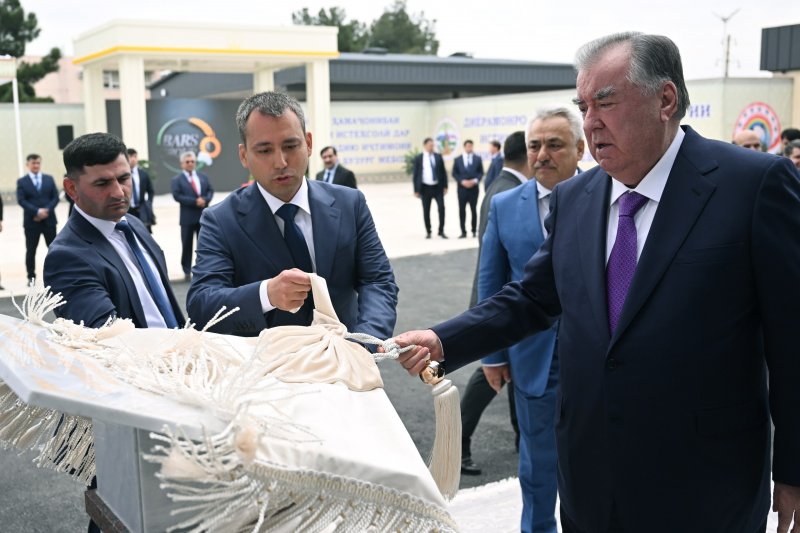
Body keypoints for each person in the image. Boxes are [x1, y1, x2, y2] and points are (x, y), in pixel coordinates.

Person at [395, 32, 800, 532]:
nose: (590, 123)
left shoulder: (752, 185)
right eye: (583, 107)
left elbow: (792, 338)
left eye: (605, 103)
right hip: (591, 478)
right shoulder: (575, 198)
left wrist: (794, 469)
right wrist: (443, 340)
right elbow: (532, 298)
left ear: (665, 100)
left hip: (705, 483)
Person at [186, 91, 397, 339]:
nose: (280, 162)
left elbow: (378, 281)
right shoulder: (221, 221)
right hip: (266, 361)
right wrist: (266, 294)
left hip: (347, 354)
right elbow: (202, 304)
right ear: (244, 155)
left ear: (308, 143)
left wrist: (365, 342)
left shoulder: (350, 204)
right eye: (264, 150)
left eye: (290, 146)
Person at [478, 105, 583, 533]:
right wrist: (492, 354)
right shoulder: (505, 206)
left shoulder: (607, 196)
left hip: (598, 355)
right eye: (535, 145)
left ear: (580, 149)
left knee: (596, 460)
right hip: (533, 357)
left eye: (554, 145)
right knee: (537, 465)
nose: (541, 155)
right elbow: (492, 283)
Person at [43, 132, 185, 329]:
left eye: (124, 178)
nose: (119, 192)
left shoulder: (133, 225)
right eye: (102, 183)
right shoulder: (66, 258)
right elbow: (107, 337)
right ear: (71, 188)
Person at [460, 130, 530, 476]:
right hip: (502, 302)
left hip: (505, 302)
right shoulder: (507, 192)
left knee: (515, 371)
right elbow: (498, 259)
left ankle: (523, 438)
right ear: (528, 155)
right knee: (490, 372)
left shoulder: (500, 185)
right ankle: (456, 441)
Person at [16, 154, 59, 285]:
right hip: (32, 221)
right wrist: (36, 211)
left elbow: (55, 197)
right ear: (27, 165)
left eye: (38, 163)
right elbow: (21, 200)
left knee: (54, 249)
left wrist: (46, 210)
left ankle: (56, 274)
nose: (36, 165)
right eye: (33, 163)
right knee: (31, 250)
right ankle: (31, 277)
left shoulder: (49, 179)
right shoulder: (22, 182)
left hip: (49, 220)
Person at [171, 151, 214, 280]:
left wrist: (205, 200)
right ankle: (186, 271)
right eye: (187, 162)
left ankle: (204, 269)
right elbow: (177, 196)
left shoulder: (203, 176)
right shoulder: (177, 180)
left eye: (192, 161)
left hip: (203, 217)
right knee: (187, 245)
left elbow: (210, 190)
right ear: (182, 164)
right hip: (187, 218)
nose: (190, 164)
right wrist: (195, 201)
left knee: (204, 245)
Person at [412, 137, 448, 239]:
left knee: (441, 208)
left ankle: (441, 231)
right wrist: (416, 190)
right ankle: (428, 231)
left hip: (438, 187)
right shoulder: (419, 158)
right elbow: (416, 174)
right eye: (429, 145)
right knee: (426, 210)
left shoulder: (438, 156)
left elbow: (443, 172)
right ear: (425, 146)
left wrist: (445, 186)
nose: (431, 147)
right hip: (425, 188)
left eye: (432, 145)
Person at [452, 139, 484, 238]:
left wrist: (475, 181)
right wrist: (462, 181)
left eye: (471, 146)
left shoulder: (477, 159)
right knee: (462, 210)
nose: (469, 148)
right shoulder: (458, 159)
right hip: (462, 189)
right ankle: (463, 231)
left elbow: (481, 172)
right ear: (464, 147)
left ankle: (474, 230)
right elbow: (454, 173)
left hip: (474, 189)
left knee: (473, 209)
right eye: (468, 146)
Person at [126, 148, 156, 233]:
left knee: (144, 232)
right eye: (130, 156)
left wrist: (149, 203)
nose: (133, 159)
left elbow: (151, 191)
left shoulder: (143, 174)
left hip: (141, 209)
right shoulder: (122, 174)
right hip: (127, 209)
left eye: (135, 156)